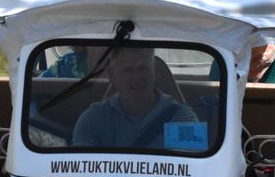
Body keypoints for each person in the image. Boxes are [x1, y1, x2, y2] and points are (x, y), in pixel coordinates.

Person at [72, 47, 201, 149]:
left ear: (155, 72)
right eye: (128, 70)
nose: (137, 78)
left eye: (143, 69)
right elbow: (81, 170)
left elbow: (193, 171)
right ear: (112, 75)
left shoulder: (182, 118)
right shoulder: (93, 120)